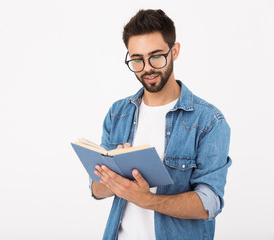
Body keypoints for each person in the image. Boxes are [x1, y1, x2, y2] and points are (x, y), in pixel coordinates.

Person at [90, 9, 232, 240]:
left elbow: (210, 202)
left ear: (174, 51)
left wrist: (147, 199)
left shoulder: (208, 121)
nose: (147, 68)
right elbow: (96, 189)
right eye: (137, 59)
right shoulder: (118, 113)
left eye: (156, 56)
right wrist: (117, 179)